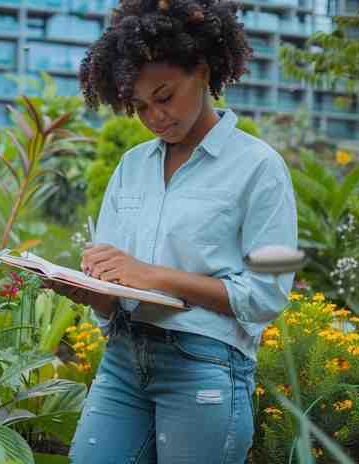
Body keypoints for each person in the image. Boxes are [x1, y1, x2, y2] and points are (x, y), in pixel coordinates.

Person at [42, 0, 298, 462]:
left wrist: (154, 275)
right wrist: (90, 289)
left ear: (201, 70)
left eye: (164, 96)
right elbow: (118, 281)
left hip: (205, 366)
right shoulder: (131, 166)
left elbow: (268, 295)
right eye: (139, 107)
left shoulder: (261, 167)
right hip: (123, 361)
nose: (155, 117)